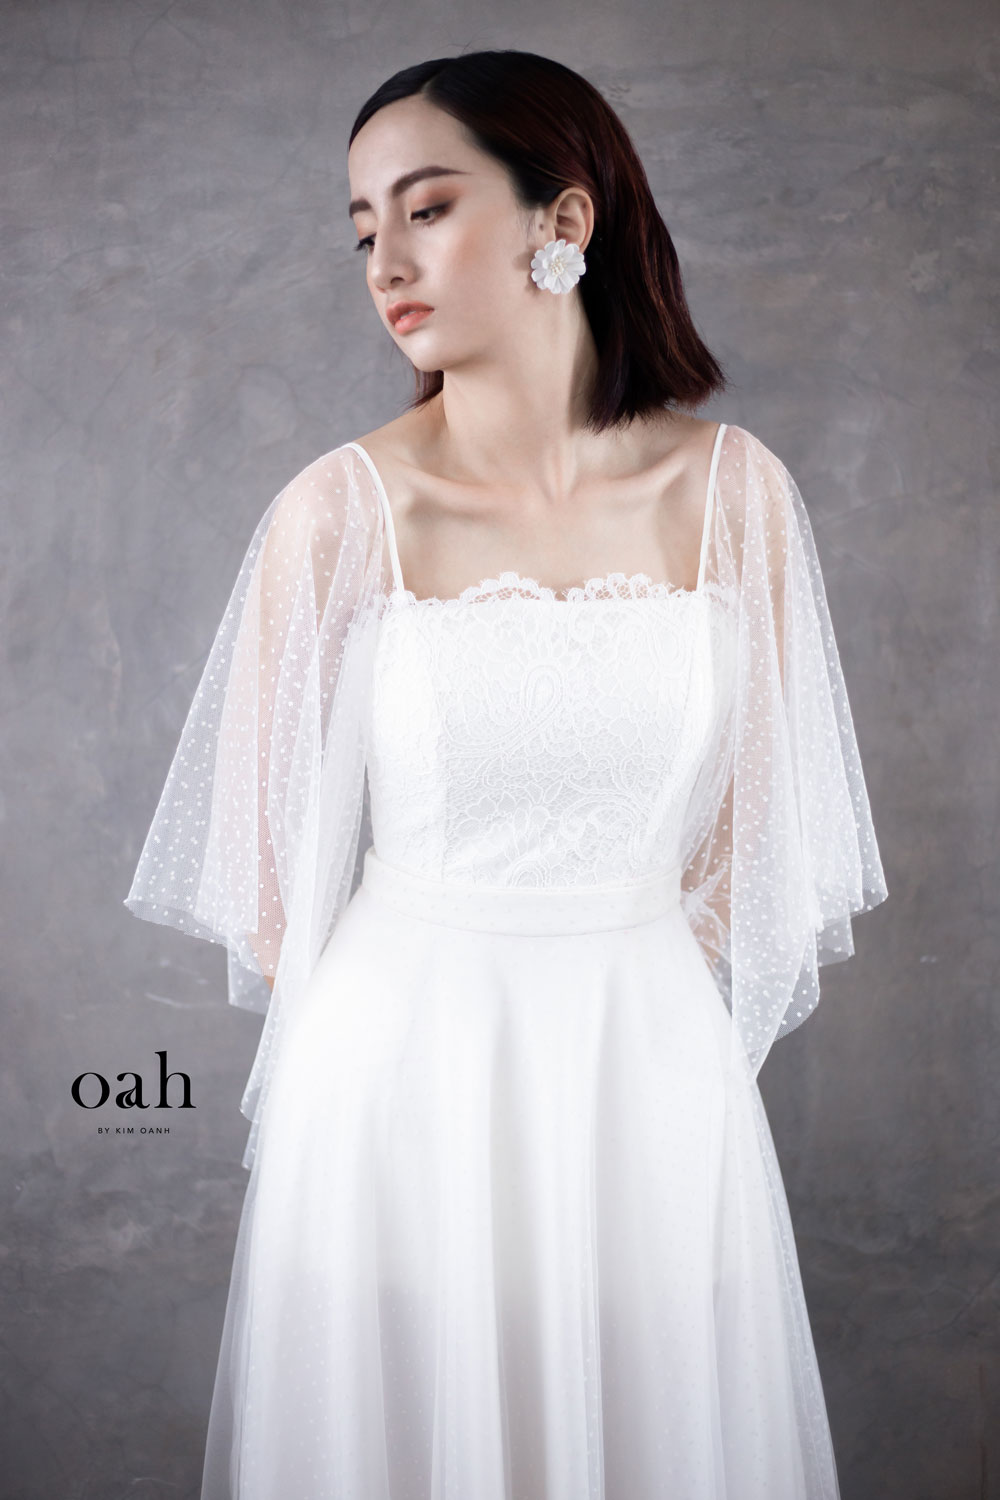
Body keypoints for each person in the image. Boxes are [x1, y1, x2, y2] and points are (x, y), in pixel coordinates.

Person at [124, 48, 888, 1500]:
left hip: (648, 1078)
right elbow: (262, 877)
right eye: (364, 228)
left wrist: (634, 1004)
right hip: (400, 1094)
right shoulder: (338, 513)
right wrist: (396, 1057)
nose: (386, 262)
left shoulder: (736, 497)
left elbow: (766, 839)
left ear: (565, 219)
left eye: (427, 209)